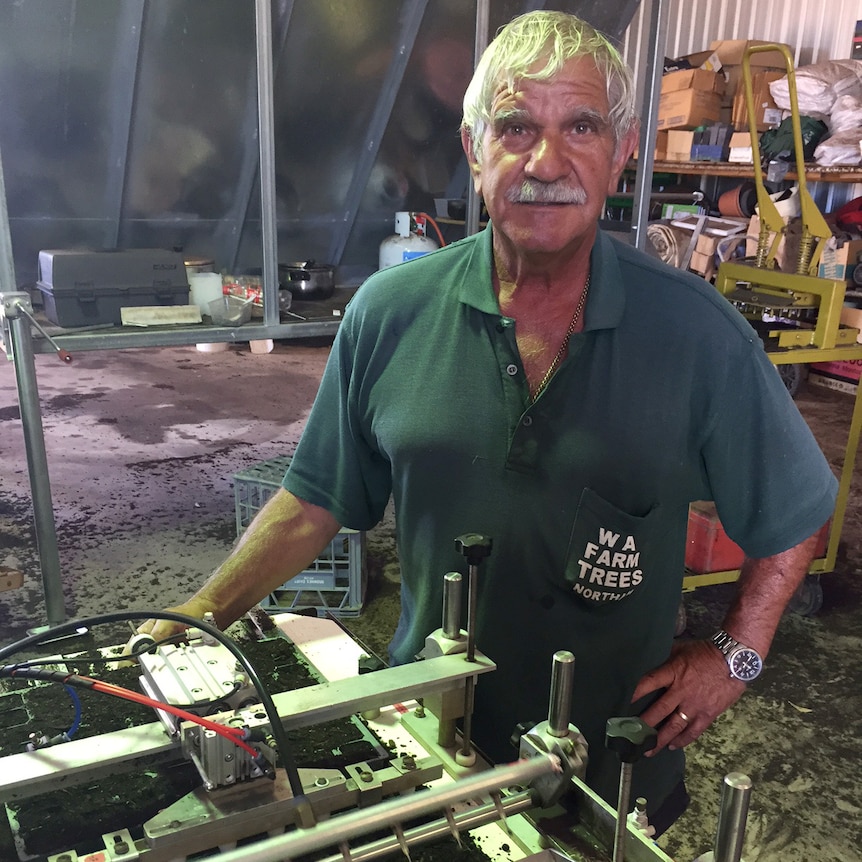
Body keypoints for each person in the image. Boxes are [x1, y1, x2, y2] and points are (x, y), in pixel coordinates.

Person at [140, 11, 837, 834]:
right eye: (515, 127)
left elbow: (794, 513)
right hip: (425, 738)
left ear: (620, 153)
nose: (546, 162)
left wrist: (736, 655)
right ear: (474, 151)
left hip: (613, 762)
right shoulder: (388, 315)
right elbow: (313, 498)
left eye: (581, 126)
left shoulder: (696, 336)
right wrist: (196, 616)